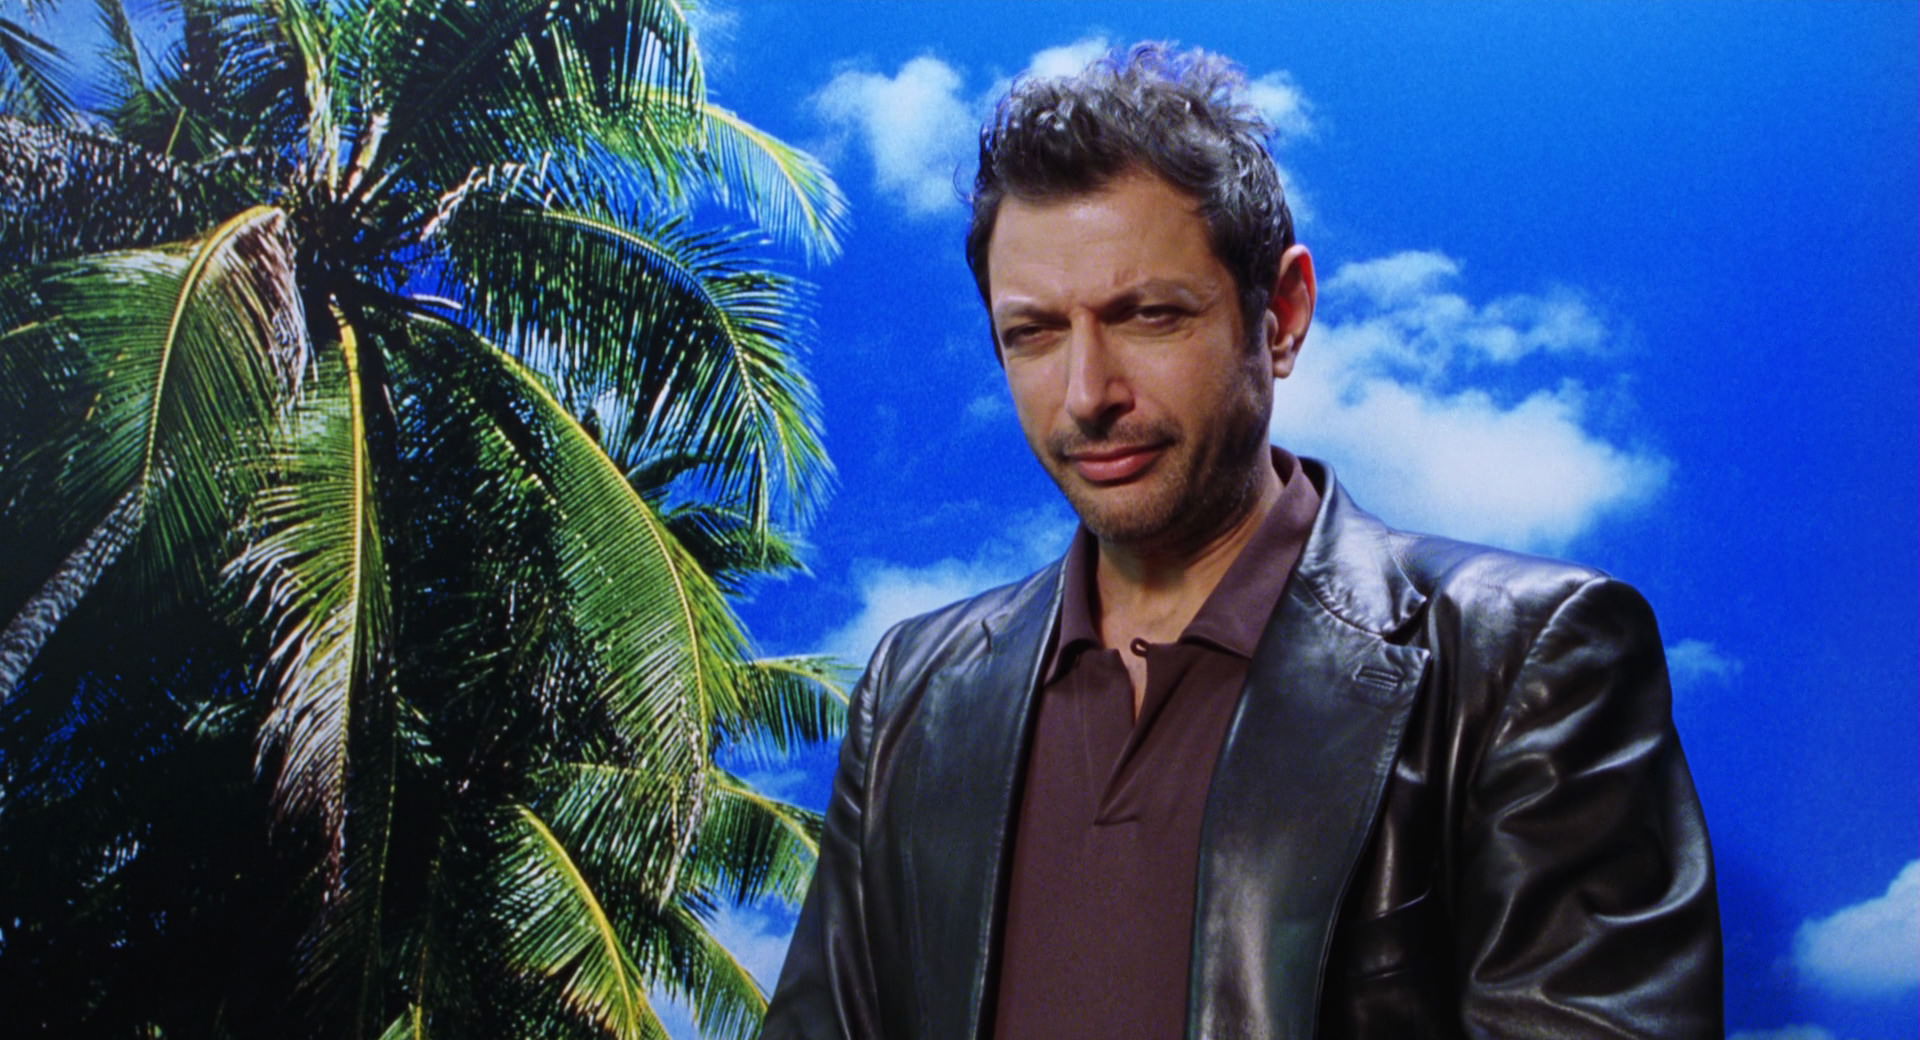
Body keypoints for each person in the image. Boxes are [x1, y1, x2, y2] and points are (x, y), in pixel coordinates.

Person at [761, 43, 1721, 1040]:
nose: (1088, 394)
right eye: (1034, 333)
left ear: (1284, 317)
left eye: (1149, 316)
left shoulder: (1521, 660)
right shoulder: (917, 689)